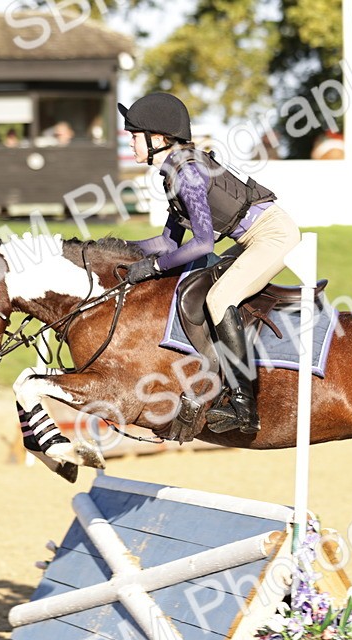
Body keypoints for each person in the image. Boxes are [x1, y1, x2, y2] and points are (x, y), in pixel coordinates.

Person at [117, 93, 301, 436]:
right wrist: (120, 249)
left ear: (157, 139)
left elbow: (203, 243)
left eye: (133, 135)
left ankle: (245, 407)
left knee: (219, 298)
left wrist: (154, 268)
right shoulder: (173, 171)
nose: (129, 142)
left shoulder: (187, 173)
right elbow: (168, 243)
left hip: (273, 236)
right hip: (249, 239)